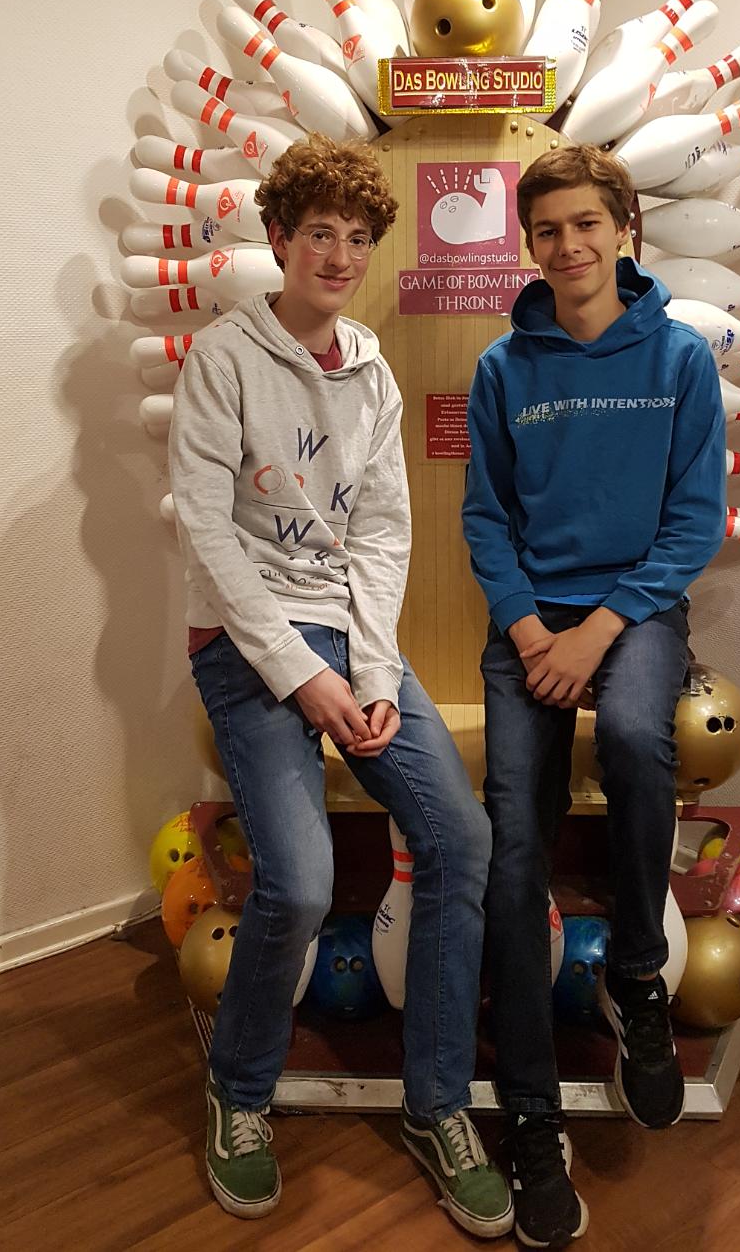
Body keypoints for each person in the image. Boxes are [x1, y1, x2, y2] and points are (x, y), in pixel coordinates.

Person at [169, 135, 512, 1237]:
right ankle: (238, 1090)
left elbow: (382, 534)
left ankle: (437, 1105)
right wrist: (303, 677)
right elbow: (208, 535)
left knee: (461, 841)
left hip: (349, 639)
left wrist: (369, 672)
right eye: (319, 232)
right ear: (278, 239)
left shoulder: (371, 368)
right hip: (246, 641)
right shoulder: (223, 357)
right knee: (304, 881)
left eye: (358, 239)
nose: (339, 256)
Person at [461, 144, 727, 1248]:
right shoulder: (501, 368)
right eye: (547, 230)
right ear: (529, 244)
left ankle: (637, 977)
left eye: (585, 224)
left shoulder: (679, 358)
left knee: (628, 733)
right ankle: (530, 1114)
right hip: (531, 622)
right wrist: (534, 633)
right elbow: (486, 519)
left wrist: (599, 631)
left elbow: (692, 522)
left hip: (637, 612)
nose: (567, 246)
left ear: (624, 230)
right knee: (513, 843)